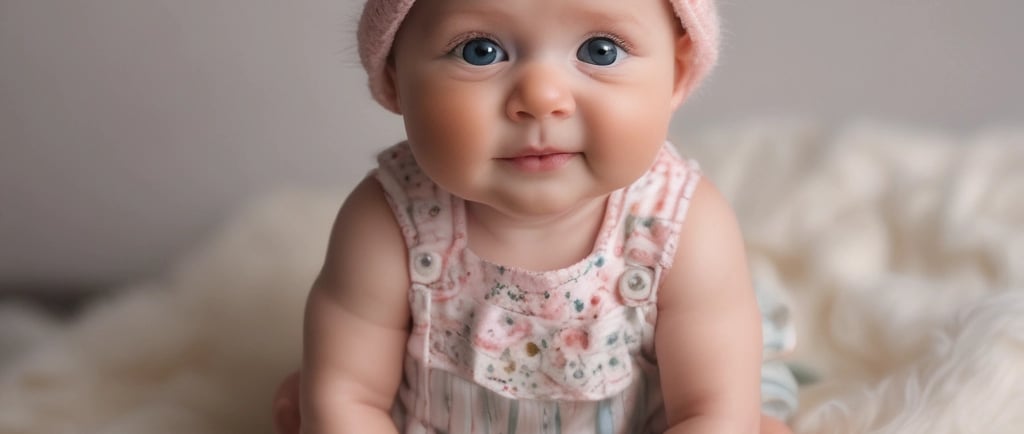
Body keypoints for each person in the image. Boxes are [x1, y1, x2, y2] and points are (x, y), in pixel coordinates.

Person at [272, 0, 799, 432]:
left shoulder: (683, 227)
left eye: (601, 50)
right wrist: (339, 408)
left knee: (744, 414)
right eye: (481, 51)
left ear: (677, 75)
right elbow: (350, 393)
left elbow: (707, 410)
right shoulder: (386, 221)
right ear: (395, 78)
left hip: (648, 422)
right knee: (317, 403)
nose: (542, 98)